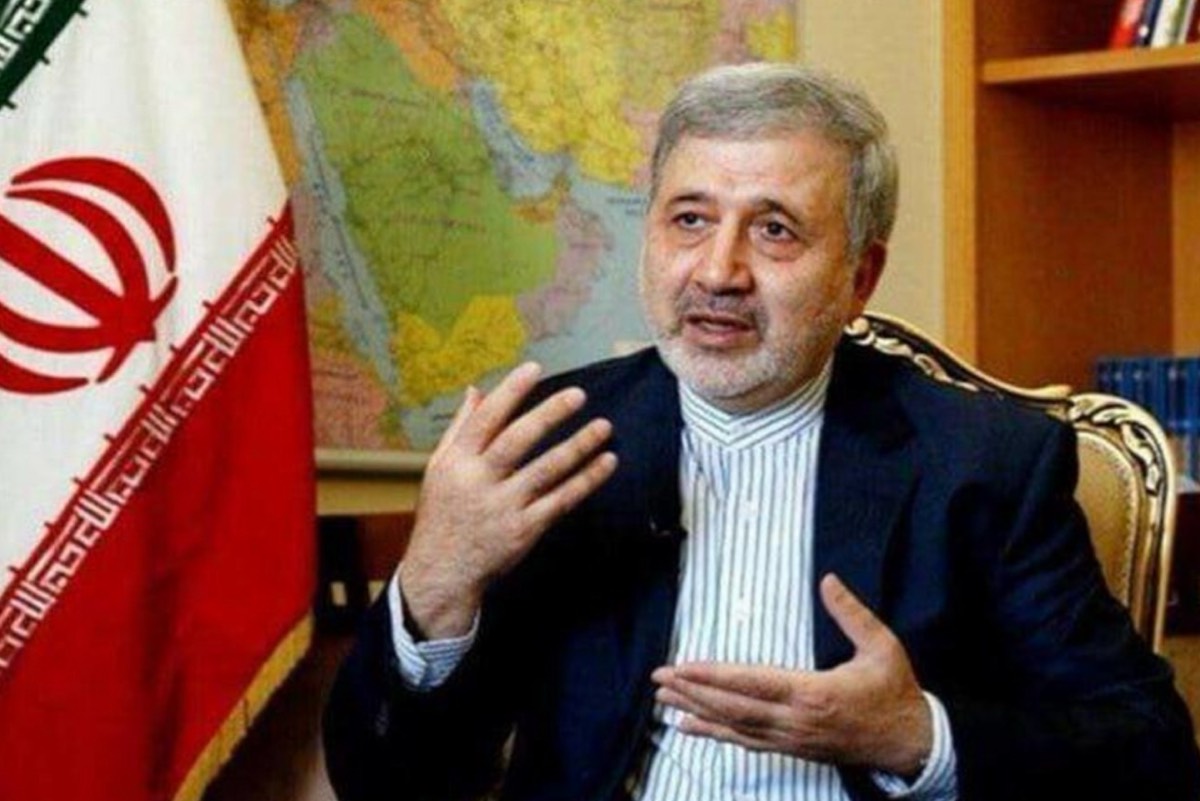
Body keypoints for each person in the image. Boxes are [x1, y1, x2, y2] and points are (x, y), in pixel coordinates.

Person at [322, 63, 1200, 801]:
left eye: (774, 230)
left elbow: (1150, 750)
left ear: (859, 278)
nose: (719, 270)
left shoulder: (982, 460)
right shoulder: (554, 444)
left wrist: (915, 736)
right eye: (690, 219)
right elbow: (388, 780)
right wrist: (434, 582)